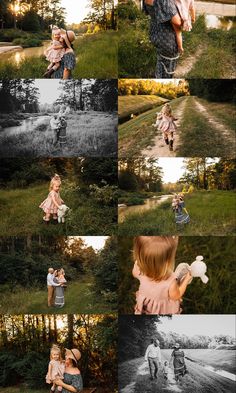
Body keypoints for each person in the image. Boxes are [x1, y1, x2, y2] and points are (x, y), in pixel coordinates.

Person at [132, 236, 192, 314]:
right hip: (163, 311)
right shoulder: (170, 281)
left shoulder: (139, 268)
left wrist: (175, 240)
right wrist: (186, 279)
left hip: (146, 307)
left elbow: (134, 273)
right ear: (167, 261)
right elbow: (176, 296)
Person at [144, 0, 182, 78]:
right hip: (168, 39)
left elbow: (149, 12)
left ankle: (158, 76)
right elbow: (177, 22)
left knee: (161, 61)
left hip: (155, 34)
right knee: (168, 68)